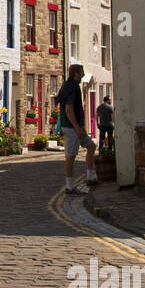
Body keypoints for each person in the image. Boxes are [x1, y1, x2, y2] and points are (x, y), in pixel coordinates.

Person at [57, 63, 97, 194]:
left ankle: (90, 178)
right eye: (81, 72)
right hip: (72, 127)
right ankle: (69, 187)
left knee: (91, 147)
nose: (83, 75)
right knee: (70, 156)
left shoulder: (69, 85)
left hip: (74, 126)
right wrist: (77, 128)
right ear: (76, 73)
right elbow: (68, 109)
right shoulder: (72, 88)